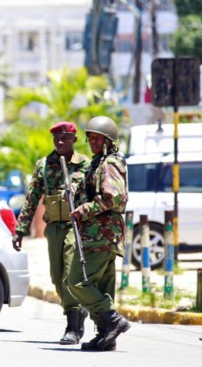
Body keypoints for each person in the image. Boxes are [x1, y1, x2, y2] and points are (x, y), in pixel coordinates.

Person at [12, 121, 91, 345]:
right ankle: (77, 312)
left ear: (74, 139)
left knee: (70, 274)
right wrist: (20, 229)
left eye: (65, 138)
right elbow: (32, 198)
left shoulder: (84, 164)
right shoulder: (44, 165)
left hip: (75, 226)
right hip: (54, 227)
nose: (60, 142)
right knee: (57, 277)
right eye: (57, 138)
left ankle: (72, 326)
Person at [68, 116, 130, 351]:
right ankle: (106, 335)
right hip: (99, 234)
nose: (92, 142)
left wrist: (83, 209)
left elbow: (113, 197)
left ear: (108, 141)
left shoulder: (109, 163)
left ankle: (113, 320)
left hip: (101, 235)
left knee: (77, 281)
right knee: (103, 287)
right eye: (90, 138)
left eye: (97, 138)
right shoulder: (100, 162)